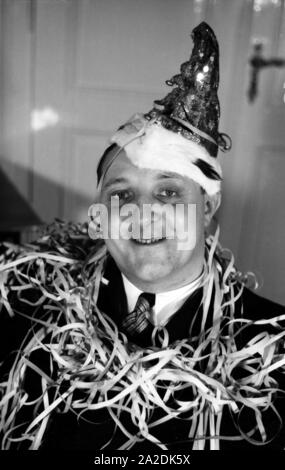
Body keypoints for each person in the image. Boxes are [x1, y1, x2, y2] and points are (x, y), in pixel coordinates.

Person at [1, 22, 285, 451]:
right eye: (121, 194)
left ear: (207, 206)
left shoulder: (272, 350)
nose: (141, 213)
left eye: (169, 191)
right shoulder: (30, 309)